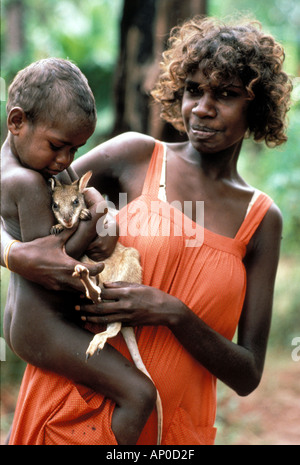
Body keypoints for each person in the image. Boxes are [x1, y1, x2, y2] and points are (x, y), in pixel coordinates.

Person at [2, 16, 292, 445]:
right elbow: (14, 197)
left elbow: (247, 374)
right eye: (194, 89)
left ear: (257, 106)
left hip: (171, 431)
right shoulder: (134, 156)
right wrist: (11, 253)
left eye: (226, 95)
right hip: (72, 411)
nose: (202, 108)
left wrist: (172, 313)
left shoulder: (262, 220)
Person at [1, 57, 158, 446]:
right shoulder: (26, 182)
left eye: (76, 149)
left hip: (32, 318)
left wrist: (94, 200)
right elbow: (59, 264)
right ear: (17, 121)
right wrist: (97, 216)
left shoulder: (41, 166)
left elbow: (77, 191)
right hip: (42, 325)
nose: (67, 160)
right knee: (139, 394)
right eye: (58, 146)